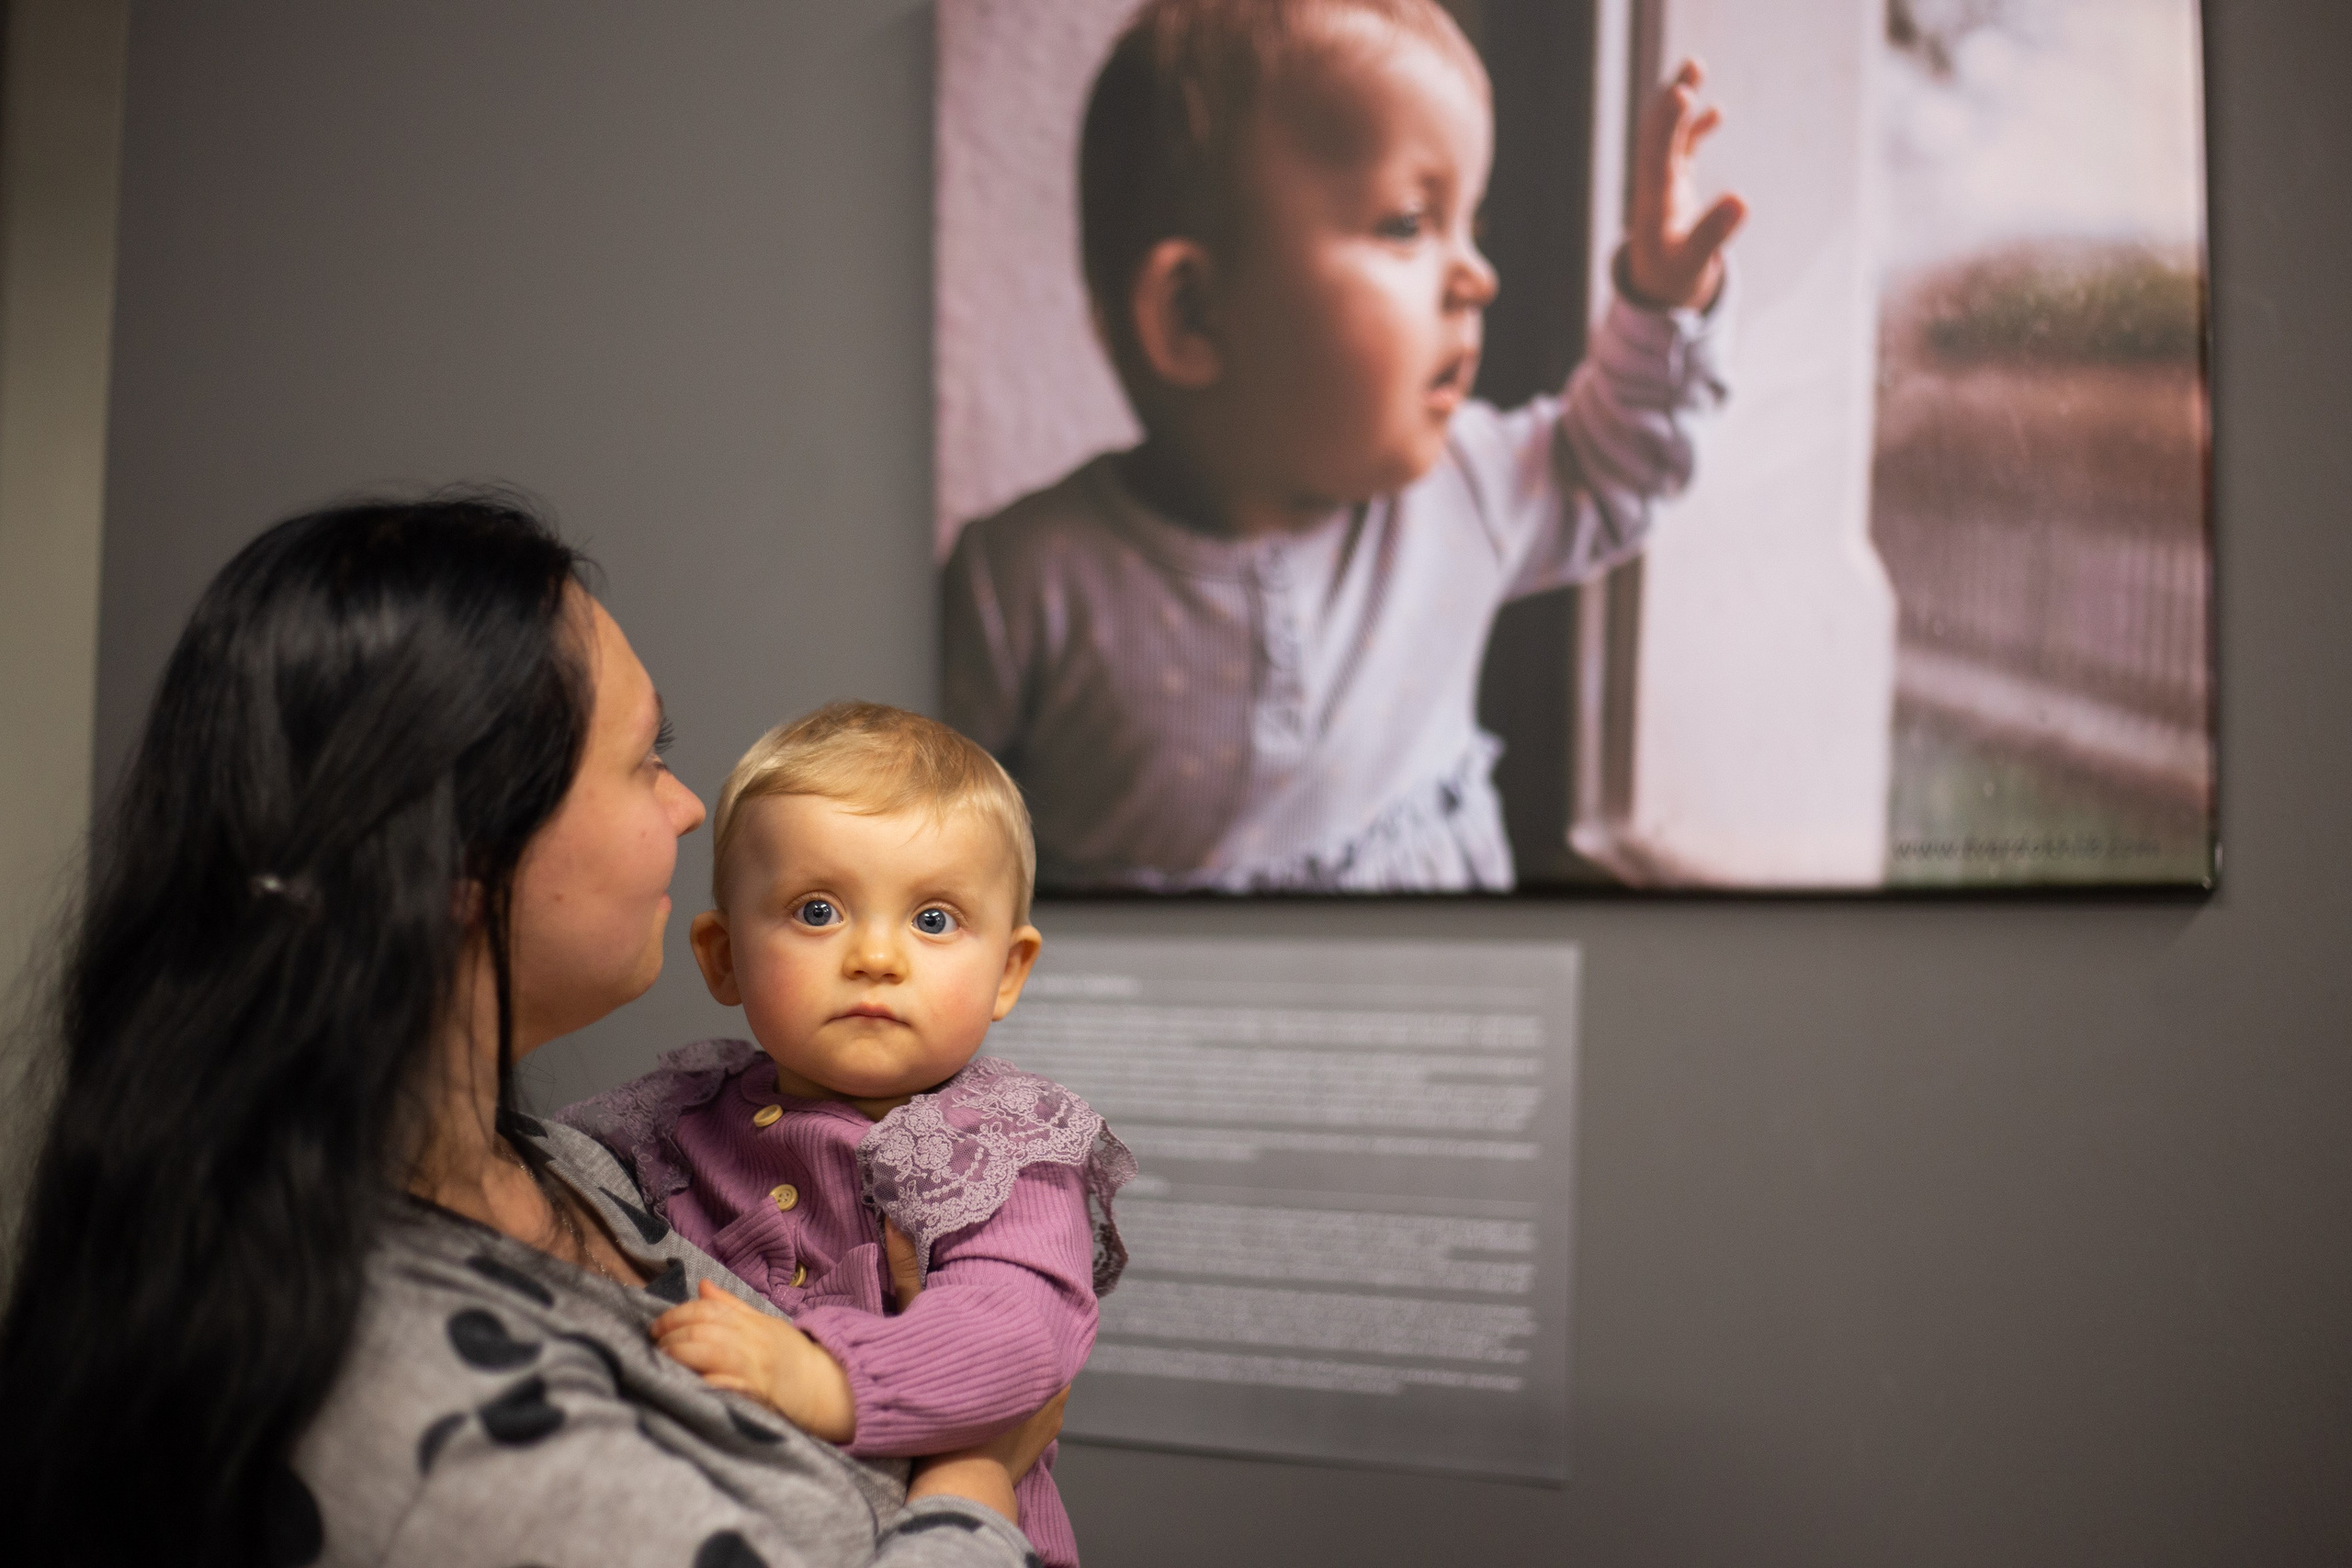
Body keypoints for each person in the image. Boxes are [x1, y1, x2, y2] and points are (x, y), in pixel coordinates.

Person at [0, 497, 1059, 1567]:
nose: (687, 807)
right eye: (646, 759)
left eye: (933, 920)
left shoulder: (571, 1164)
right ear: (464, 856)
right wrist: (980, 1460)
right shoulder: (432, 1423)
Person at [941, 0, 1747, 893]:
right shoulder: (1020, 592)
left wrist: (1660, 304)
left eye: (1470, 226)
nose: (1478, 277)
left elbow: (1610, 467)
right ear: (1195, 313)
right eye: (1408, 223)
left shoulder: (1464, 492)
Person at [561, 701, 1134, 1568]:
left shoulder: (1004, 1147)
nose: (875, 956)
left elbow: (1017, 1334)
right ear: (723, 955)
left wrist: (824, 1376)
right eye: (818, 910)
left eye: (933, 919)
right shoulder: (672, 1119)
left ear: (1008, 971)